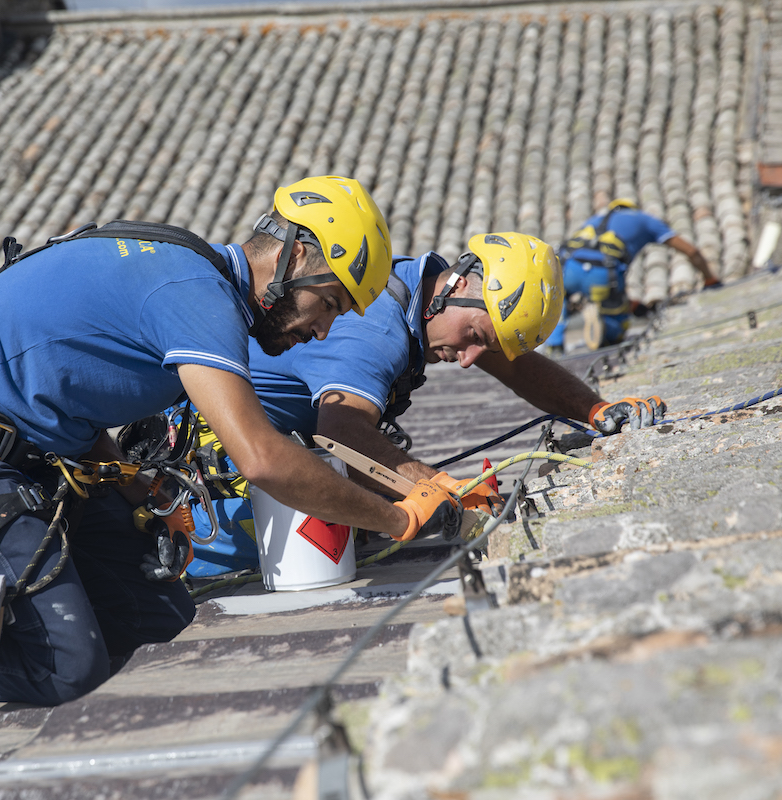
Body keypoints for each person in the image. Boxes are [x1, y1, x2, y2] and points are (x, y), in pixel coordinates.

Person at [0, 175, 478, 711]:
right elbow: (260, 457)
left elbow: (69, 382)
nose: (322, 331)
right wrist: (394, 516)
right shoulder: (195, 297)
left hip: (22, 454)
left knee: (154, 614)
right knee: (64, 663)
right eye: (326, 306)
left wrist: (131, 485)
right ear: (292, 260)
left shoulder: (189, 277)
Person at [182, 231, 669, 577]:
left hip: (279, 460)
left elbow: (517, 367)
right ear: (459, 284)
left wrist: (594, 410)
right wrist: (441, 487)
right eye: (476, 337)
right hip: (213, 486)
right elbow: (342, 429)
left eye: (487, 348)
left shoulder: (424, 295)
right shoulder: (379, 330)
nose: (468, 361)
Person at [545, 198, 722, 354]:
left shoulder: (594, 220)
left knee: (558, 303)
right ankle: (607, 341)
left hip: (568, 268)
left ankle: (555, 345)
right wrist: (709, 279)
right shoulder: (645, 219)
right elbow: (691, 251)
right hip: (603, 274)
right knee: (614, 329)